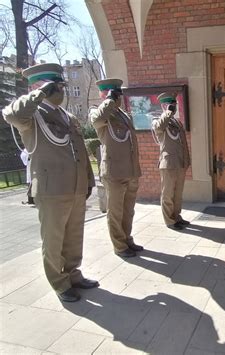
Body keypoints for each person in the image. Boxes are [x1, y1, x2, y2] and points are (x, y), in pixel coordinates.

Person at [2, 63, 98, 303]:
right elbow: (10, 114)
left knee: (74, 236)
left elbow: (81, 151)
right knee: (54, 239)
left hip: (75, 187)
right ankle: (59, 283)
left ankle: (73, 274)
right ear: (41, 86)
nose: (61, 91)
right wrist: (40, 93)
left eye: (61, 86)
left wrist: (88, 180)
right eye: (56, 87)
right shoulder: (30, 115)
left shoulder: (68, 116)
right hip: (51, 189)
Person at [89, 78, 143, 258]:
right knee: (116, 212)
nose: (118, 98)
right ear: (105, 95)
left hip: (130, 170)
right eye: (115, 94)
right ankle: (119, 246)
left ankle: (127, 238)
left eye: (118, 94)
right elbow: (97, 120)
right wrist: (109, 101)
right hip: (114, 172)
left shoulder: (123, 115)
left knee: (128, 210)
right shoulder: (98, 113)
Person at [151, 92, 190, 231]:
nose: (173, 108)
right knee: (168, 194)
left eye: (174, 105)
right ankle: (169, 221)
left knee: (178, 194)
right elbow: (160, 127)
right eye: (170, 105)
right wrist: (167, 112)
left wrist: (187, 161)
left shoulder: (177, 122)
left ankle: (176, 216)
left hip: (180, 163)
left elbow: (183, 143)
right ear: (164, 106)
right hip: (168, 164)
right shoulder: (158, 121)